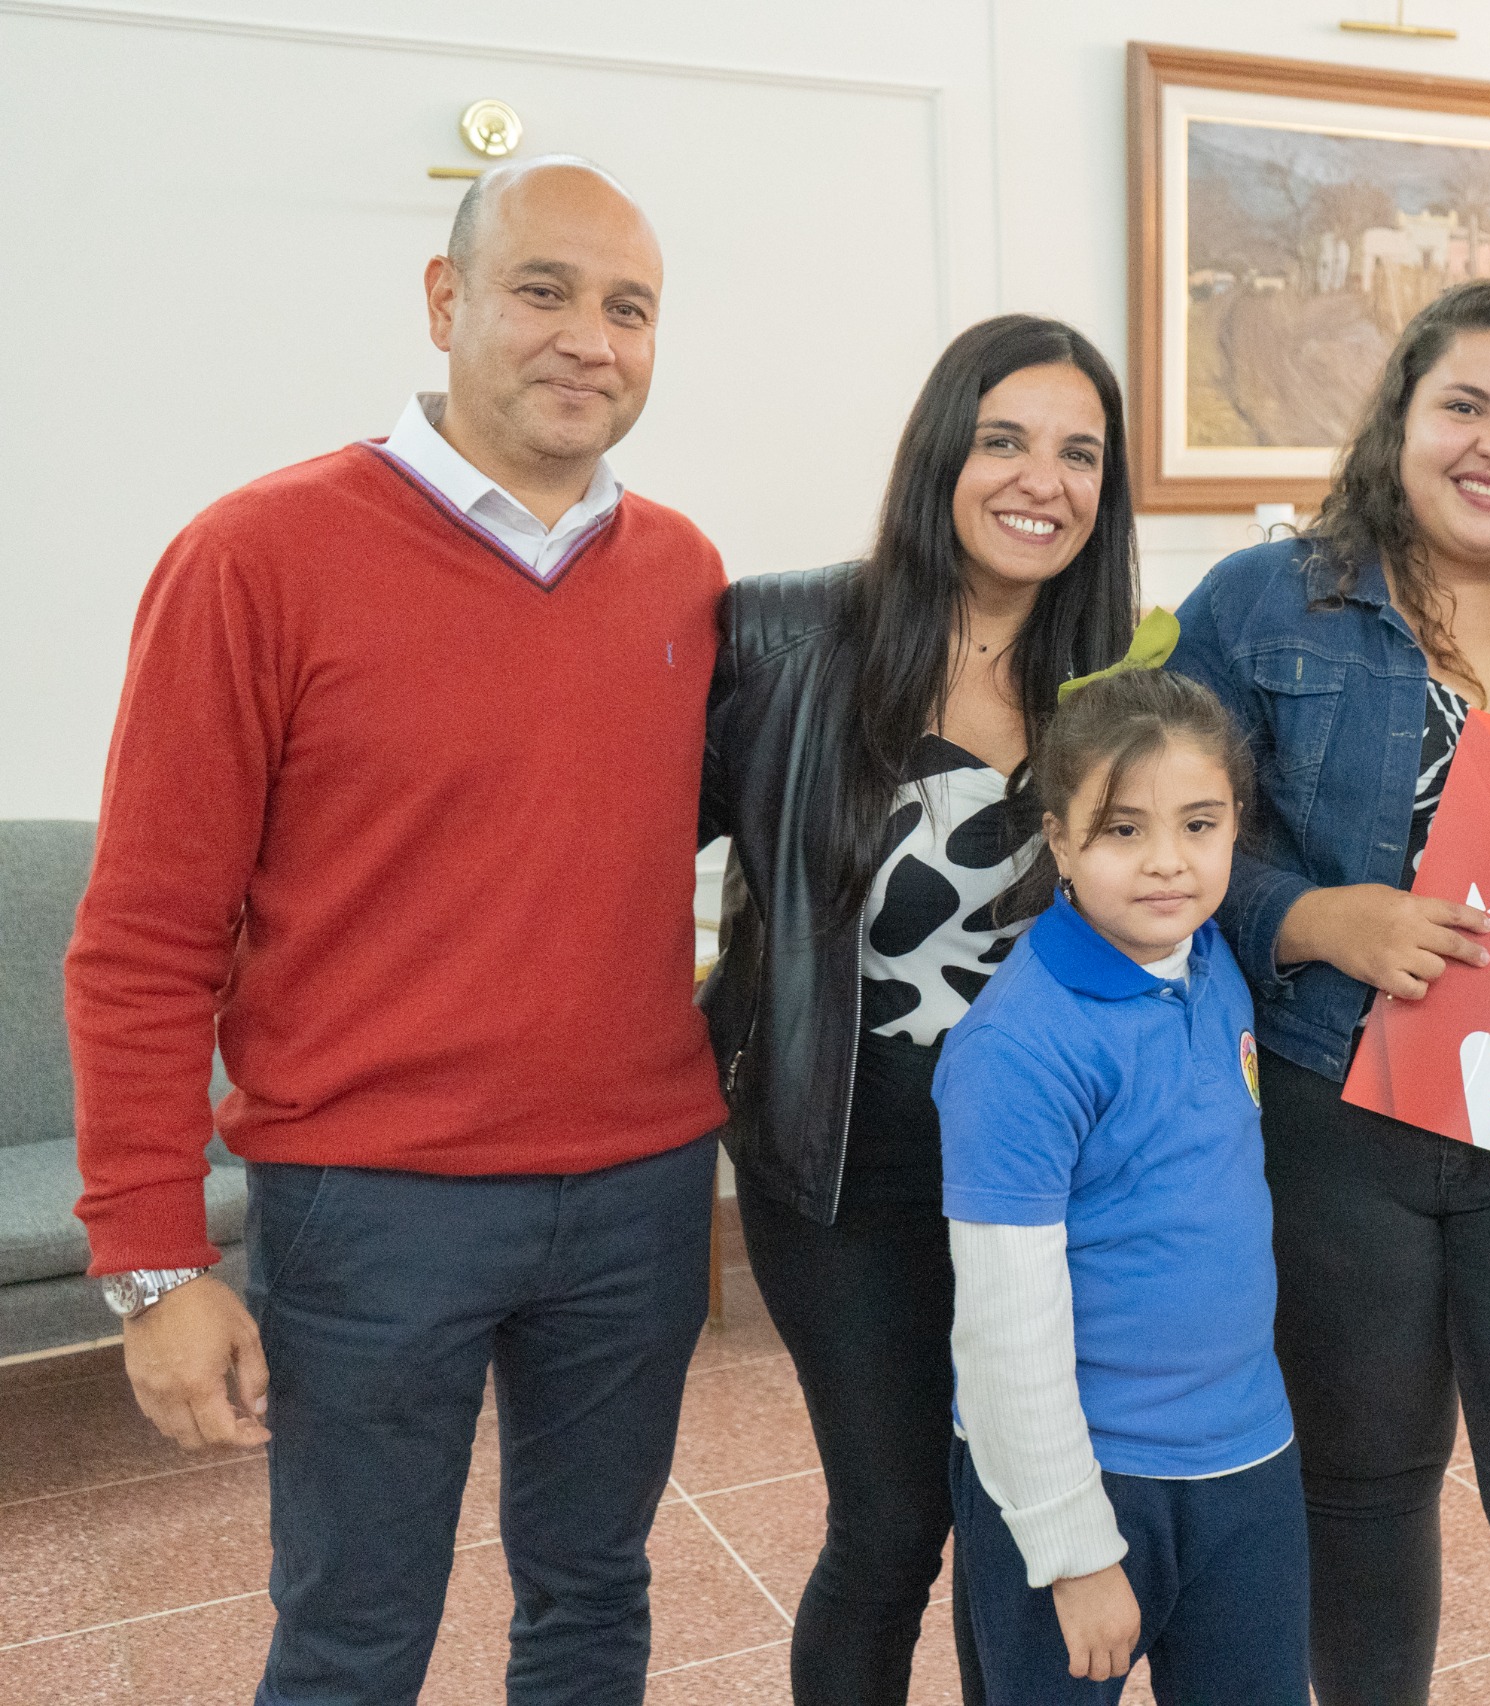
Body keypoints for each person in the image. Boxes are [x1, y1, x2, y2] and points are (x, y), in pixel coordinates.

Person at [65, 157, 727, 1702]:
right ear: (445, 301)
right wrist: (153, 1263)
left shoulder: (686, 575)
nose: (590, 338)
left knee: (592, 1599)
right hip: (374, 1207)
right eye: (543, 291)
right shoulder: (257, 556)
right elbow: (146, 934)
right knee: (355, 1631)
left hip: (637, 1194)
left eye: (628, 308)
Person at [1169, 276, 1490, 1704]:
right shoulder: (1267, 602)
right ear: (1402, 418)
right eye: (1463, 404)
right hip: (1339, 1121)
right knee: (1360, 1494)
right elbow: (1176, 838)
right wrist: (1321, 915)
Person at [698, 313, 1138, 1704]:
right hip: (848, 1165)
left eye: (1078, 453)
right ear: (941, 452)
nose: (1040, 479)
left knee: (1034, 1510)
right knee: (892, 1524)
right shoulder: (785, 635)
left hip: (1043, 1177)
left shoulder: (1117, 676)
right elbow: (610, 844)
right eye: (1004, 439)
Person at [936, 662, 1309, 1705]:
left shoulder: (1209, 961)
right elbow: (1004, 1330)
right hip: (1084, 1487)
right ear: (1057, 838)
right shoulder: (1015, 1047)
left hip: (1244, 1458)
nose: (1166, 864)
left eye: (1198, 824)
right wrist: (1071, 1547)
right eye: (1120, 829)